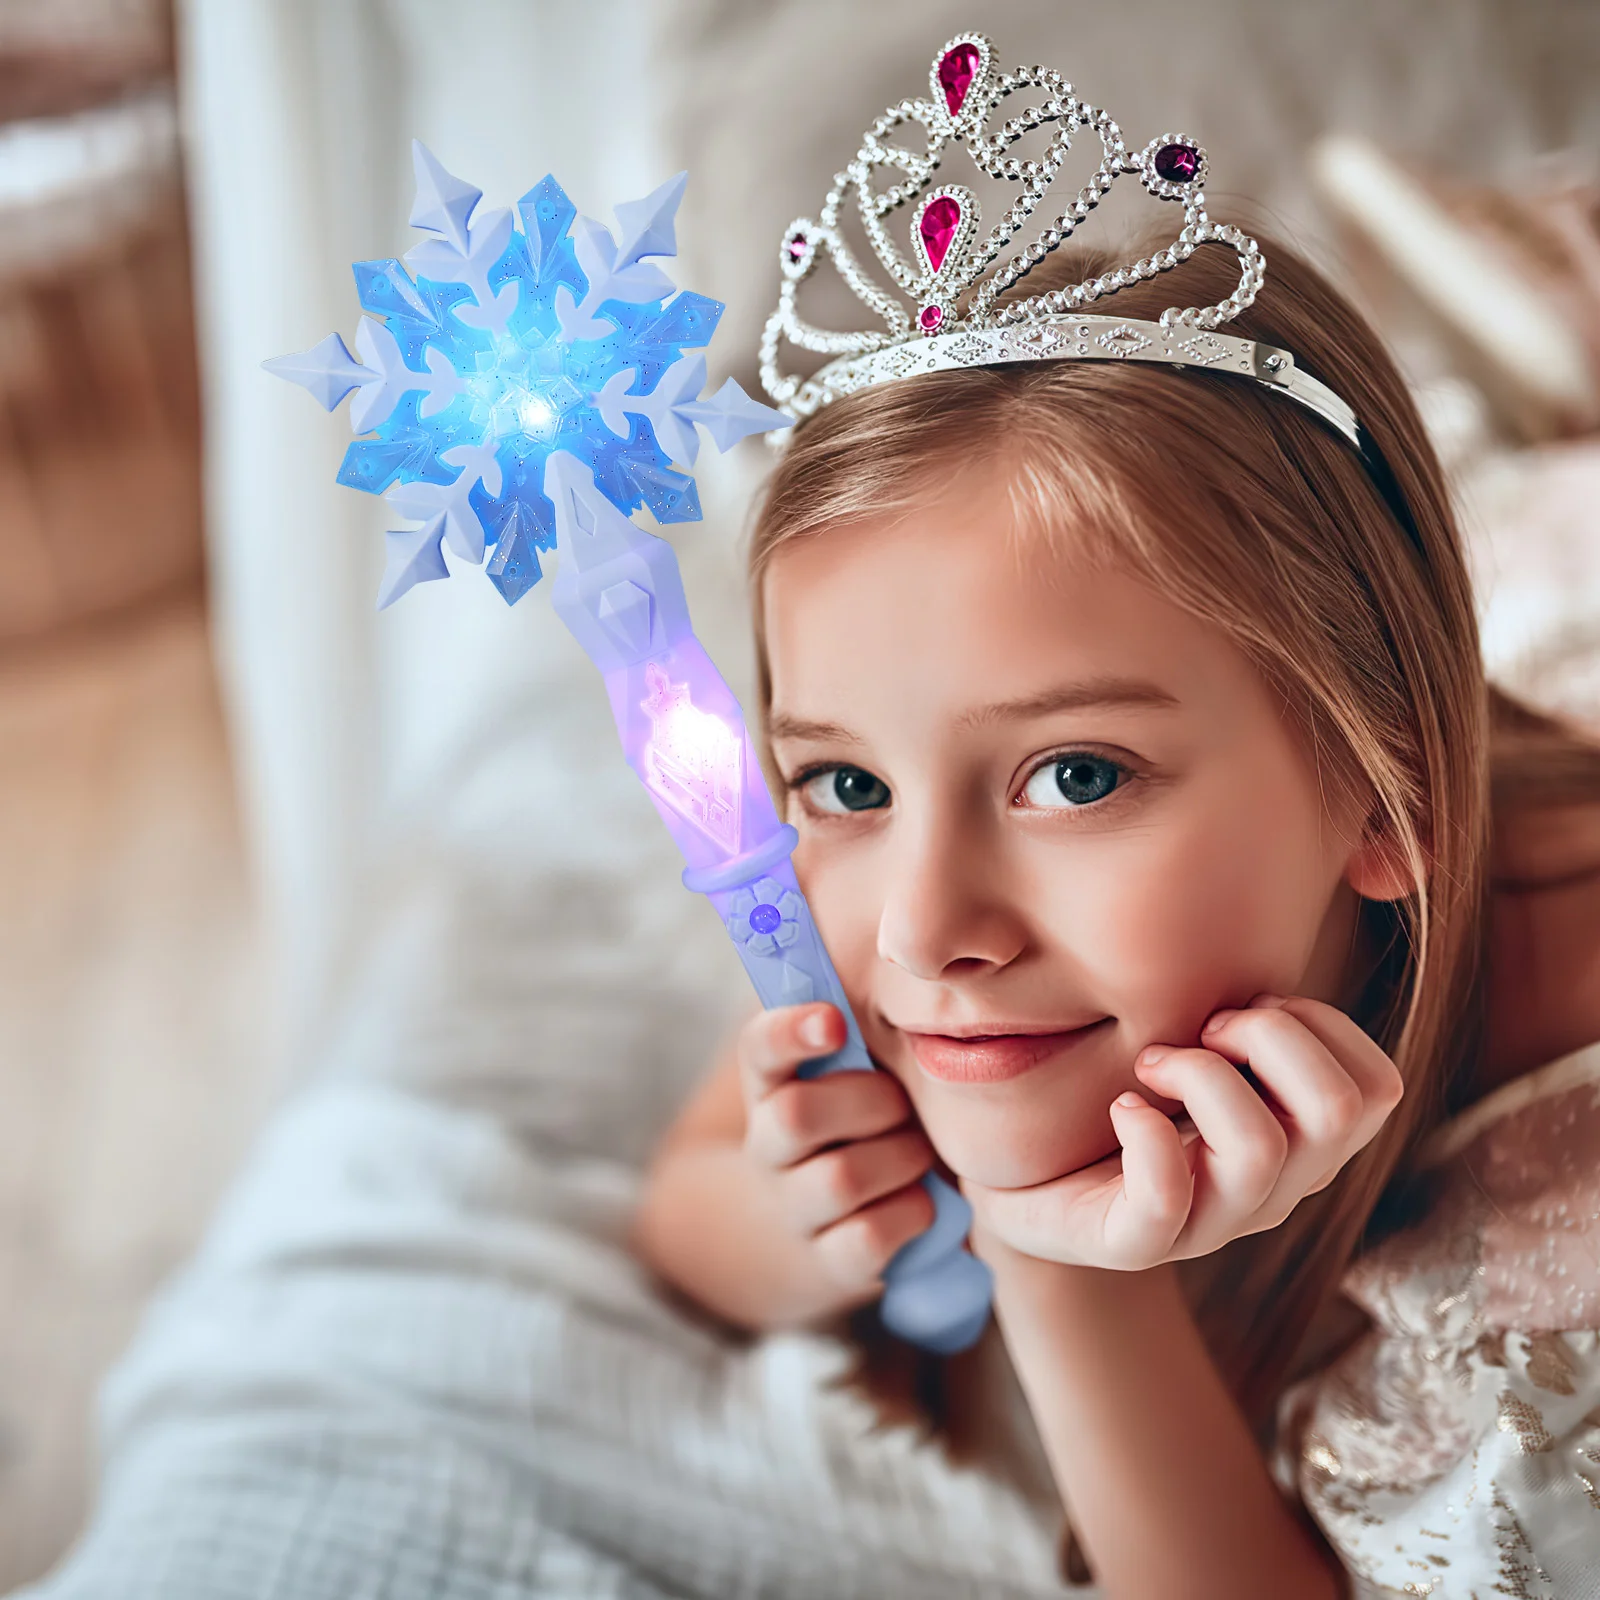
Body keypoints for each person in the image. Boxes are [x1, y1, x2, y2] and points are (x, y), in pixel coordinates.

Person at [629, 216, 1600, 1598]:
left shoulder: (1564, 1168)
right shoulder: (901, 898)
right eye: (843, 778)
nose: (921, 928)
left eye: (1075, 776)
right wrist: (822, 1223)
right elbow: (686, 1205)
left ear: (1387, 803)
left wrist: (1057, 1267)